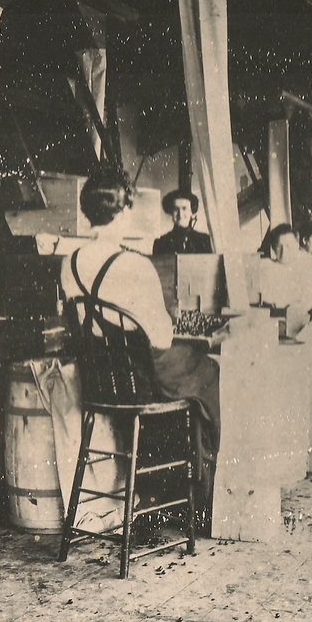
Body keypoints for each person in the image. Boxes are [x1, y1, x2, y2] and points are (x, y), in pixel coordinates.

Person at [60, 164, 221, 529]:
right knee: (208, 371)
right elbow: (161, 338)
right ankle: (200, 499)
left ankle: (156, 490)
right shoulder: (135, 264)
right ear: (124, 211)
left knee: (187, 372)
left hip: (100, 385)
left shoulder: (69, 263)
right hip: (140, 384)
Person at [258, 223, 312, 336]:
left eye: (288, 246)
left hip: (298, 326)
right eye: (279, 246)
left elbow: (308, 300)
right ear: (273, 248)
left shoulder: (306, 266)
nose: (284, 252)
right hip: (270, 324)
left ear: (296, 245)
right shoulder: (265, 266)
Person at [152, 189, 212, 255]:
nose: (180, 214)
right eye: (176, 209)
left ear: (191, 212)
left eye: (184, 208)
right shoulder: (161, 243)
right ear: (171, 212)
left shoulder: (205, 241)